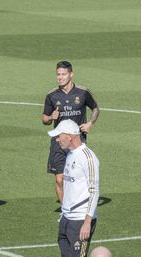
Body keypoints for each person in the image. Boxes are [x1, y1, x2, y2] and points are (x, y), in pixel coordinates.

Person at [42, 61, 99, 205]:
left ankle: (82, 204)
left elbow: (95, 108)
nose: (60, 77)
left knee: (78, 177)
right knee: (59, 179)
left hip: (77, 142)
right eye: (58, 74)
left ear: (71, 74)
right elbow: (44, 119)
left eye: (63, 74)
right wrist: (50, 118)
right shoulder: (52, 95)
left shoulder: (83, 92)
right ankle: (65, 210)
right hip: (59, 142)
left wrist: (90, 123)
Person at [48, 119, 99, 257]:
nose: (57, 140)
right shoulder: (70, 155)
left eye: (59, 136)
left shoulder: (88, 157)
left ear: (69, 137)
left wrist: (87, 222)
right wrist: (64, 212)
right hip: (66, 217)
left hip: (80, 220)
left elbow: (94, 191)